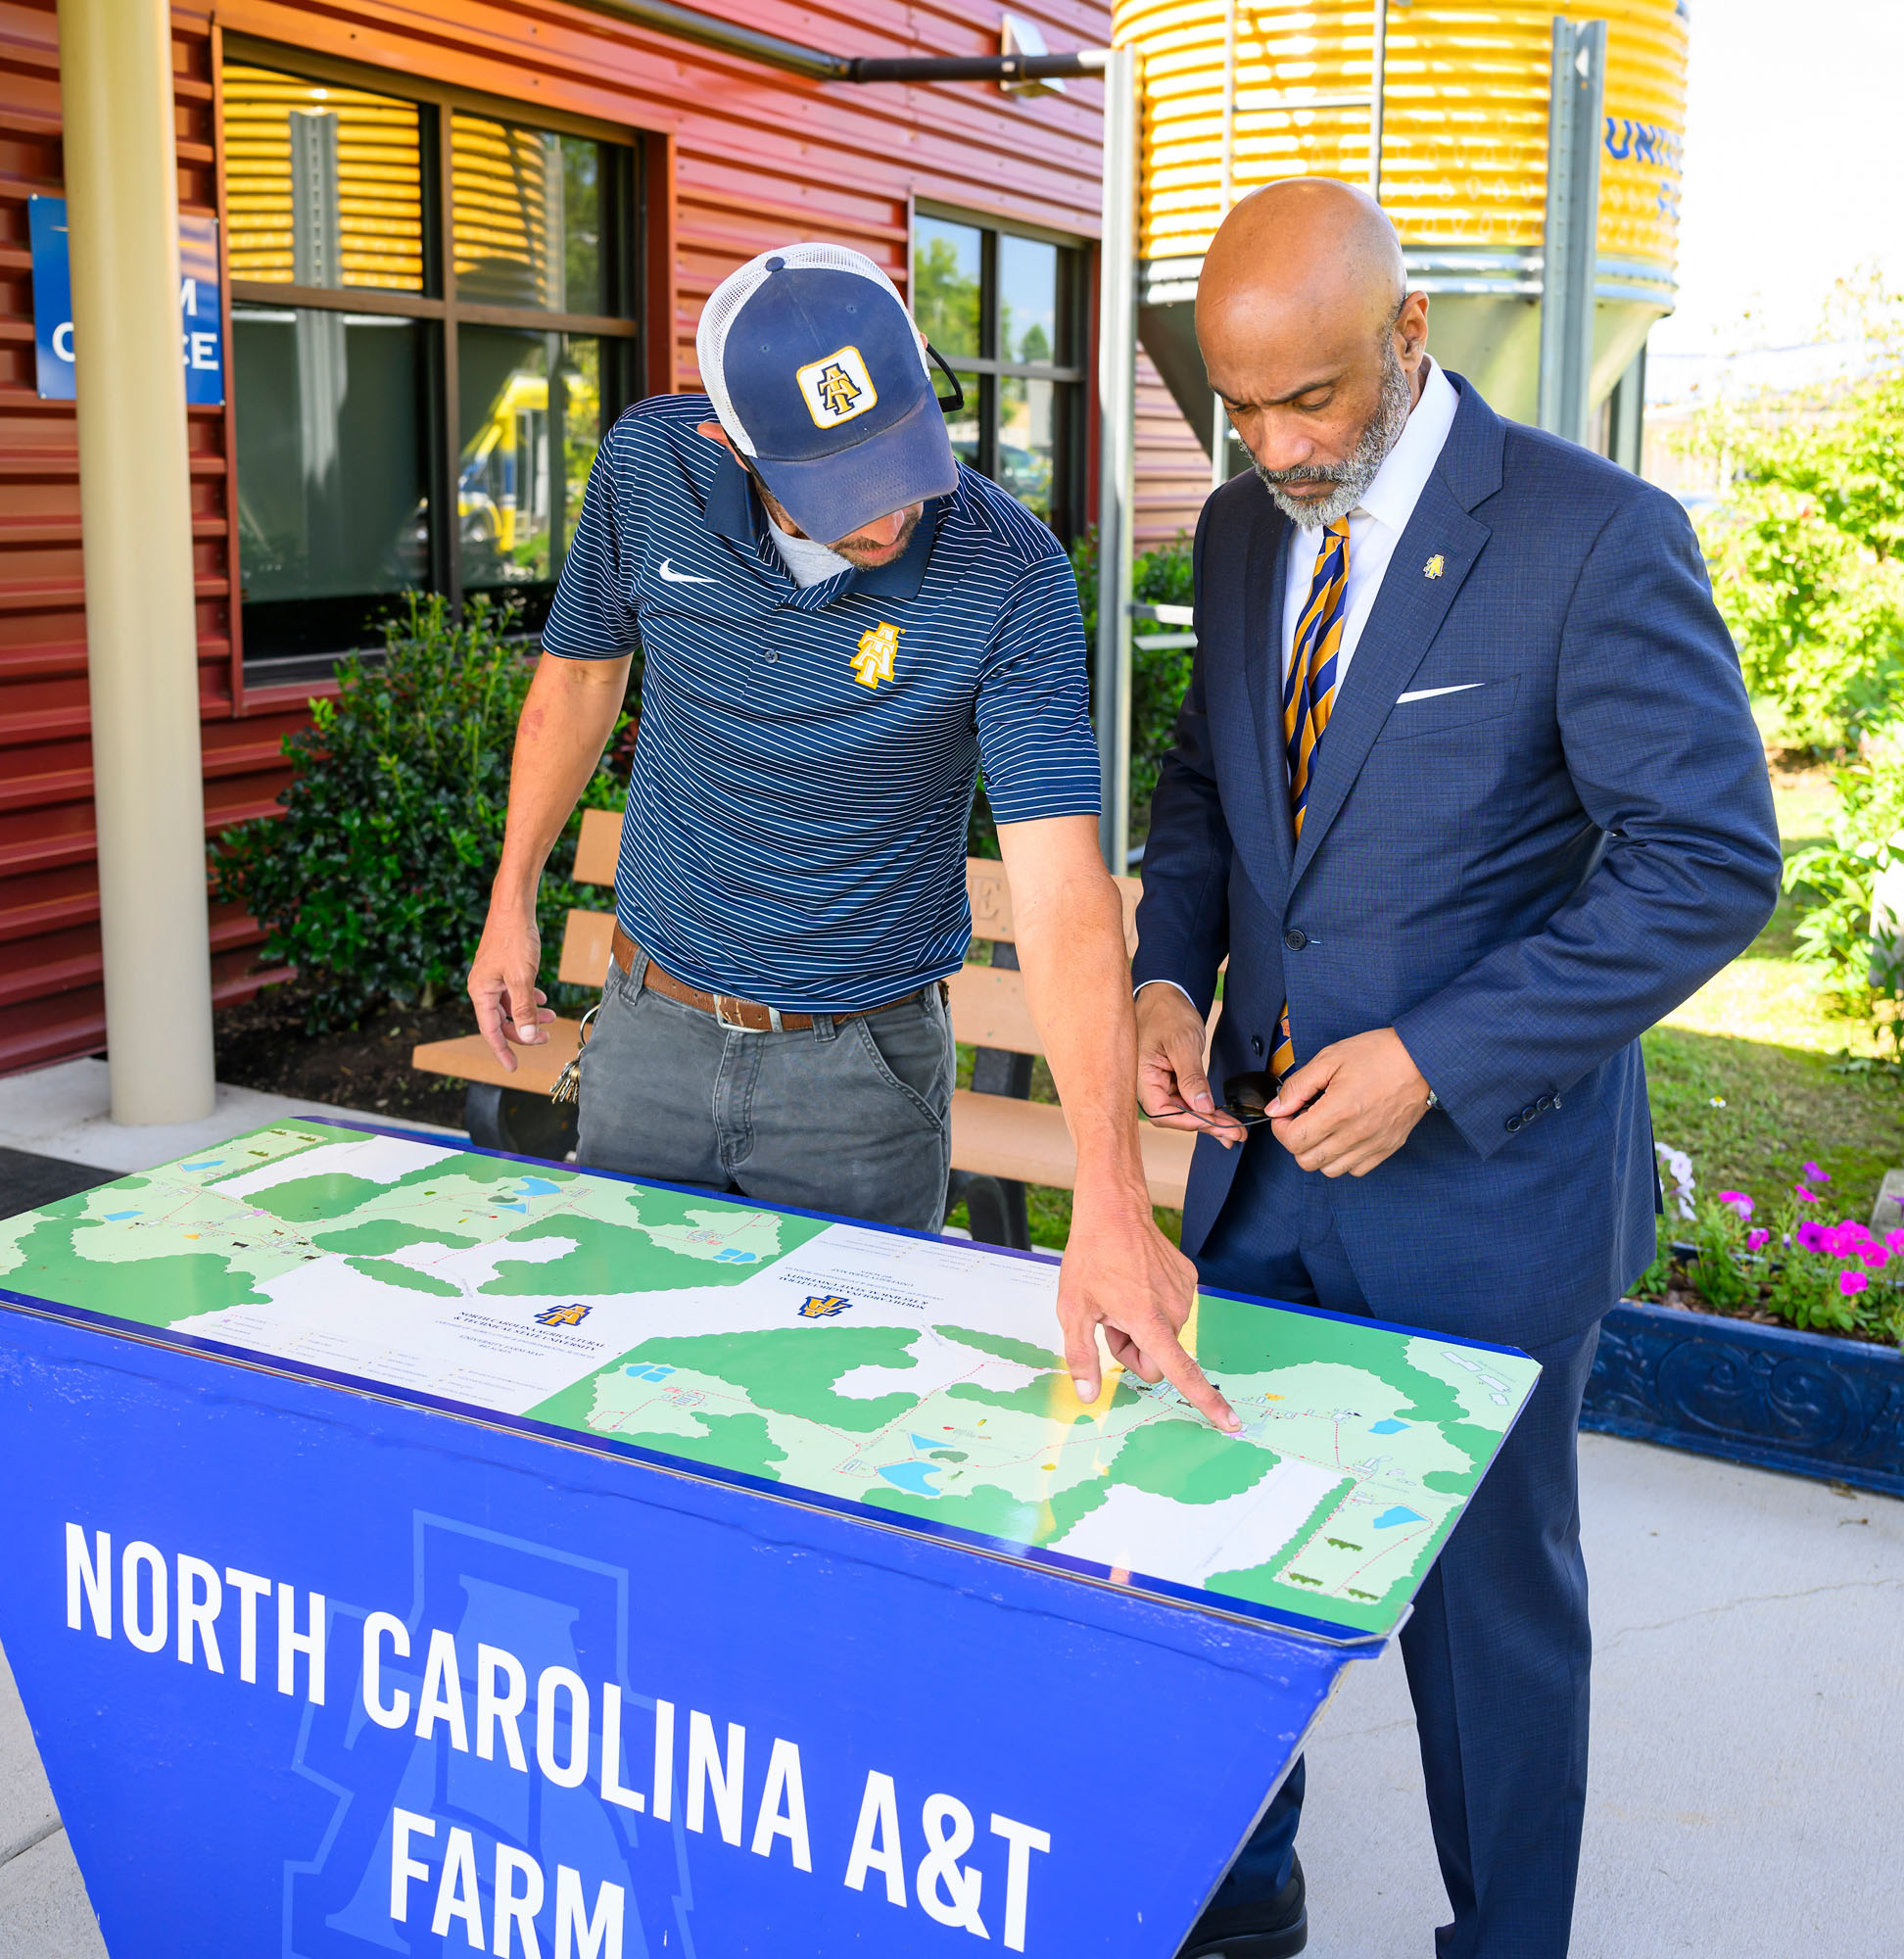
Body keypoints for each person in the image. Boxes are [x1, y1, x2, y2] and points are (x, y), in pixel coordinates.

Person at [1133, 180, 1781, 1958]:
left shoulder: (1592, 537)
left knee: (1481, 1629)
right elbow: (1209, 789)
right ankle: (1241, 1908)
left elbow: (1709, 859)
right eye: (1234, 406)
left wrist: (1433, 1055)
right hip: (1254, 1177)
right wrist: (1157, 974)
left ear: (1406, 337)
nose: (1266, 445)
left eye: (1307, 402)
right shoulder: (1243, 531)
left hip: (1484, 1203)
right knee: (1229, 1569)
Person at [466, 242, 1235, 1433]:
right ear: (733, 444)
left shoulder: (1009, 572)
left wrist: (1111, 1187)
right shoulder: (647, 468)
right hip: (648, 1038)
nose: (891, 511)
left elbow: (1063, 888)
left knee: (838, 1433)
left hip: (861, 1080)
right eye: (842, 486)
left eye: (906, 461)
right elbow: (578, 677)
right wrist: (513, 893)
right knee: (618, 1405)